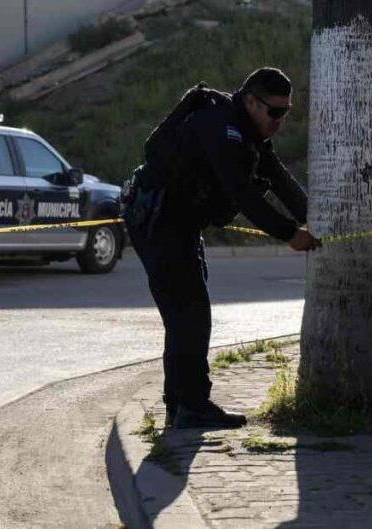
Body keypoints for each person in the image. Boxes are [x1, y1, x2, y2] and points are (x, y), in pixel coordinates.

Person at [125, 67, 321, 429]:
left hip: (177, 222)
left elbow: (278, 177)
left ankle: (180, 405)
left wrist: (318, 220)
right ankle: (191, 406)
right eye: (274, 112)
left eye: (286, 113)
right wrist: (289, 233)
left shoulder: (249, 132)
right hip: (158, 220)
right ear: (250, 101)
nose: (279, 121)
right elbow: (242, 193)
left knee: (186, 314)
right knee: (191, 313)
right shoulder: (222, 128)